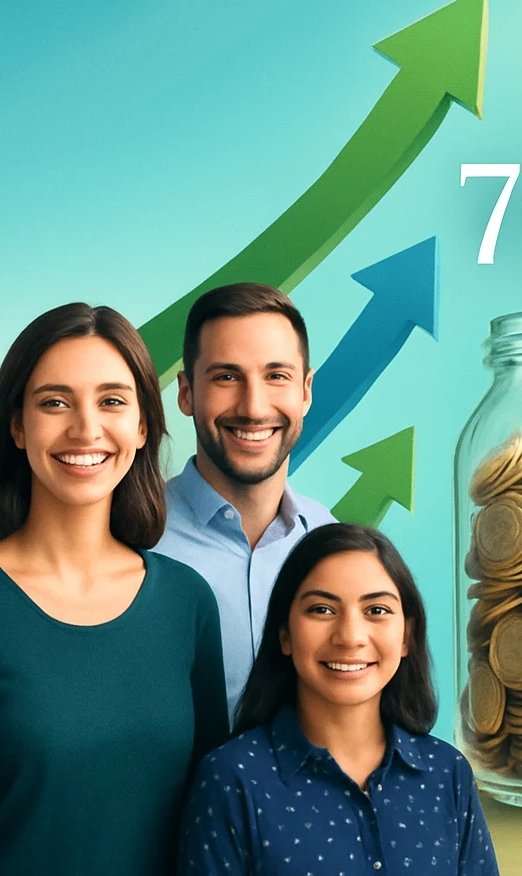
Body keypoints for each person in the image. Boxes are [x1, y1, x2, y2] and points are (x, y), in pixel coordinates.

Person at [0, 303, 228, 876]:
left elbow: (209, 828)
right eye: (55, 402)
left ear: (143, 426)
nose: (85, 428)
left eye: (112, 401)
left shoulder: (188, 604)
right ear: (17, 425)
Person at [178, 523, 500, 875]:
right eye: (322, 610)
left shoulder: (448, 773)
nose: (350, 637)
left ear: (407, 636)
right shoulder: (231, 778)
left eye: (376, 610)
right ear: (284, 634)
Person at [153, 284, 335, 718]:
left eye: (277, 376)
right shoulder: (131, 534)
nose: (254, 407)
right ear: (185, 393)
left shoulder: (330, 538)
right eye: (226, 377)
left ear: (305, 391)